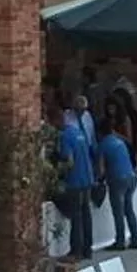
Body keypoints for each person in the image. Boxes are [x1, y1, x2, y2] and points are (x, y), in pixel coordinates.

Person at [54, 105, 96, 262]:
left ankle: (75, 251)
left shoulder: (65, 136)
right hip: (87, 178)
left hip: (75, 181)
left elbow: (69, 161)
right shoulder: (78, 132)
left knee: (76, 216)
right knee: (86, 214)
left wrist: (57, 171)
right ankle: (88, 249)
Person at [98, 116, 137, 250]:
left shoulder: (103, 144)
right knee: (129, 209)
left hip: (117, 179)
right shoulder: (120, 142)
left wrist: (100, 179)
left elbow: (101, 168)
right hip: (131, 176)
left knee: (118, 211)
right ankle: (135, 239)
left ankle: (120, 241)